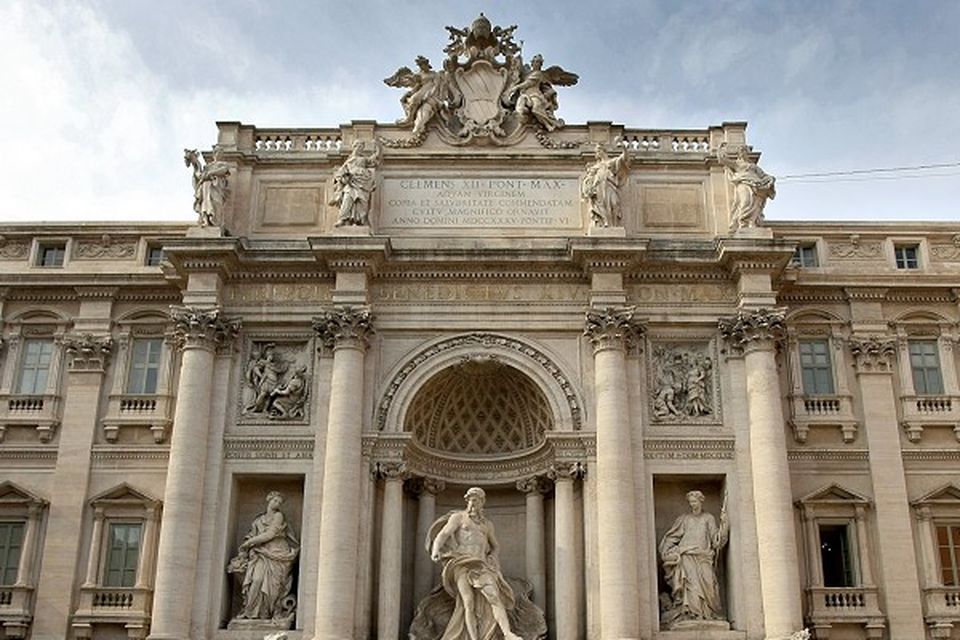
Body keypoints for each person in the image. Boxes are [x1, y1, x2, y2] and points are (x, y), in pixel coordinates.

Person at [429, 487, 522, 640]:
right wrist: (435, 549)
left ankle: (507, 633)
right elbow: (444, 534)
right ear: (467, 501)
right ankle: (473, 638)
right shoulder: (458, 517)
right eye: (470, 500)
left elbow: (495, 546)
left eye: (476, 501)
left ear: (482, 503)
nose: (473, 504)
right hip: (461, 563)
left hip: (481, 565)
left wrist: (493, 557)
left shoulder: (487, 525)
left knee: (494, 597)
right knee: (468, 602)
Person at [658, 490, 729, 627]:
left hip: (704, 556)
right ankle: (691, 613)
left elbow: (716, 541)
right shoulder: (684, 519)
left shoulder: (708, 518)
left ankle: (708, 613)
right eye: (691, 502)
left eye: (695, 501)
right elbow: (672, 537)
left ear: (701, 501)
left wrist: (724, 527)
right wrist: (666, 551)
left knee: (709, 584)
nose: (693, 504)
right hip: (687, 555)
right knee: (691, 586)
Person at [228, 491, 299, 624]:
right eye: (275, 501)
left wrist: (249, 543)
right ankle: (250, 612)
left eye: (279, 502)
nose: (276, 504)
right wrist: (248, 543)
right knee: (257, 580)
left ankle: (266, 614)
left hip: (277, 553)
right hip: (260, 553)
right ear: (268, 500)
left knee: (274, 587)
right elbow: (251, 535)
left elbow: (270, 534)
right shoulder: (258, 520)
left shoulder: (279, 516)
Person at [716, 143, 776, 231]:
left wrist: (771, 179)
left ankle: (751, 223)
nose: (742, 153)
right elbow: (722, 160)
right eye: (741, 151)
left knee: (755, 204)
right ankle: (743, 222)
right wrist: (720, 149)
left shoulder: (753, 166)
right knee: (745, 201)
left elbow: (763, 176)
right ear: (739, 154)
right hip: (744, 184)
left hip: (756, 185)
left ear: (747, 153)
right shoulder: (737, 164)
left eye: (744, 151)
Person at [329, 139, 382, 227]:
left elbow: (374, 159)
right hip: (351, 183)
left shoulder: (364, 159)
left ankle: (360, 220)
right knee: (347, 199)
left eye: (362, 147)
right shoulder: (349, 161)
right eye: (359, 146)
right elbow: (340, 174)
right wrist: (344, 179)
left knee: (362, 201)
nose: (360, 149)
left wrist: (378, 148)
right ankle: (343, 219)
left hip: (363, 182)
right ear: (354, 147)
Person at [581, 143, 630, 228]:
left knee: (614, 203)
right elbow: (588, 181)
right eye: (596, 152)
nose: (597, 154)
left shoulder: (611, 162)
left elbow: (623, 159)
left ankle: (613, 224)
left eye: (598, 151)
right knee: (600, 207)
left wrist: (624, 148)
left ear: (603, 151)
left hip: (609, 186)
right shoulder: (595, 167)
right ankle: (604, 222)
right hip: (599, 188)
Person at [184, 146, 231, 226]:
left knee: (216, 203)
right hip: (207, 186)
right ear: (214, 154)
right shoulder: (208, 166)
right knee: (206, 203)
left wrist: (211, 173)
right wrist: (195, 163)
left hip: (216, 187)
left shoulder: (224, 164)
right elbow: (200, 175)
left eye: (221, 153)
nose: (219, 154)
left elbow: (224, 170)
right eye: (217, 152)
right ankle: (206, 220)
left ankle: (216, 221)